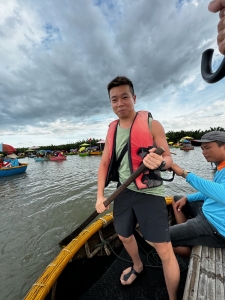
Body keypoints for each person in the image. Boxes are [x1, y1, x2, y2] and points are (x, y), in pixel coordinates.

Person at [95, 76, 180, 300]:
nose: (120, 103)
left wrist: (161, 163)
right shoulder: (111, 130)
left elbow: (169, 158)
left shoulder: (152, 124)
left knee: (164, 251)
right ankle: (138, 266)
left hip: (149, 193)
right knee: (123, 235)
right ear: (111, 103)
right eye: (114, 99)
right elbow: (104, 164)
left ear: (133, 98)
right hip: (124, 192)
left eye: (124, 97)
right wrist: (100, 196)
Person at [169, 131, 225, 257]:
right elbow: (212, 191)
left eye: (207, 148)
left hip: (216, 227)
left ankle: (189, 254)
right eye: (202, 148)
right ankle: (186, 236)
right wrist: (187, 198)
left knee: (158, 238)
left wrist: (184, 173)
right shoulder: (221, 166)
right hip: (209, 211)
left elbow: (223, 195)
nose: (203, 152)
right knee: (178, 199)